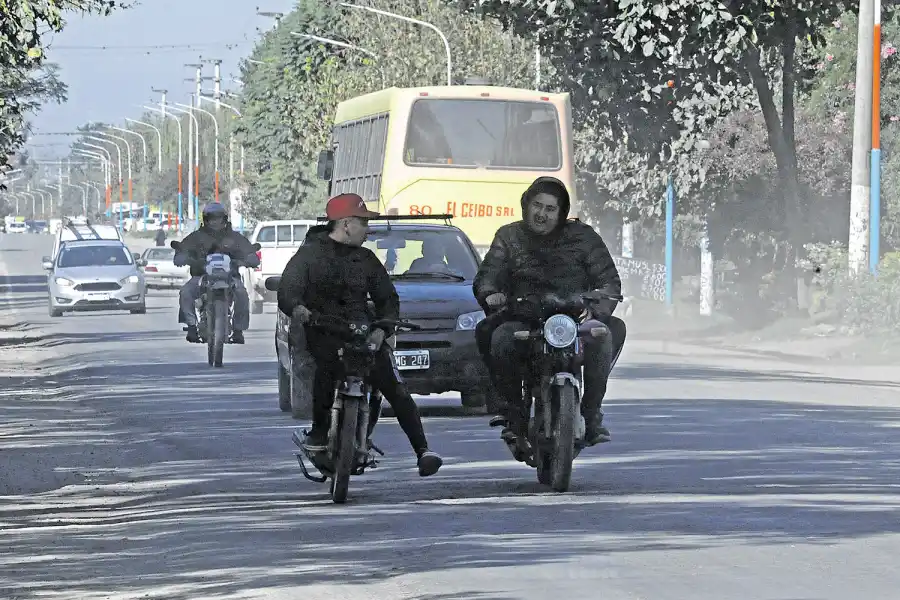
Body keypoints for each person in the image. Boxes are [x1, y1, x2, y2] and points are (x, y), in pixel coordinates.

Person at [277, 192, 443, 477]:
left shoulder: (366, 259)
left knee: (394, 385)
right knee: (325, 371)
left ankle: (423, 451)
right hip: (323, 332)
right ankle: (319, 432)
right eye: (363, 223)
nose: (368, 229)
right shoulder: (308, 256)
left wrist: (381, 328)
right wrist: (300, 310)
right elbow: (288, 292)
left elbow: (387, 299)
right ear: (345, 224)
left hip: (363, 335)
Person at [473, 176, 626, 448]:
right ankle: (512, 414)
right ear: (526, 205)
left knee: (606, 333)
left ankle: (592, 414)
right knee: (495, 335)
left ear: (561, 213)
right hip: (524, 317)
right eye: (537, 205)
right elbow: (487, 276)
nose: (541, 214)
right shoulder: (508, 237)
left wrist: (596, 310)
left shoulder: (584, 237)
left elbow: (609, 281)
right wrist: (490, 294)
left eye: (550, 209)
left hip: (574, 319)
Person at [174, 202, 259, 344]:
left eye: (218, 218)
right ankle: (191, 326)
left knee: (242, 294)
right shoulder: (196, 237)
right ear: (206, 219)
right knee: (186, 292)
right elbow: (183, 249)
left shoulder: (235, 238)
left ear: (224, 219)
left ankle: (238, 330)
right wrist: (181, 256)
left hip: (230, 277)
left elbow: (249, 251)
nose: (215, 222)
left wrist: (250, 258)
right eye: (212, 218)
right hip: (201, 277)